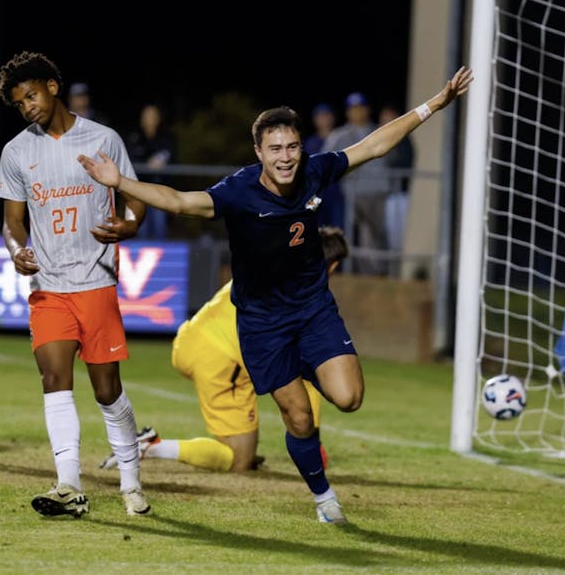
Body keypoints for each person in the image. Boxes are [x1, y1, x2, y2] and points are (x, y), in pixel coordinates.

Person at [78, 66, 473, 525]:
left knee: (349, 397)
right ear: (259, 153)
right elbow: (181, 201)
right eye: (275, 149)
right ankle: (324, 498)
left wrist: (433, 105)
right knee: (300, 419)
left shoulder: (314, 171)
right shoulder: (239, 191)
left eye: (291, 147)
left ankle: (310, 365)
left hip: (312, 311)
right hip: (262, 324)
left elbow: (374, 145)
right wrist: (121, 181)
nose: (285, 157)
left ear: (300, 147)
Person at [0, 51, 151, 518]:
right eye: (20, 103)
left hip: (97, 283)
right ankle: (69, 486)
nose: (28, 107)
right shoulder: (17, 151)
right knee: (54, 379)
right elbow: (12, 222)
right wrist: (16, 249)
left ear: (52, 87)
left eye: (32, 95)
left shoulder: (103, 139)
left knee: (107, 390)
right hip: (49, 287)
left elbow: (134, 200)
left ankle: (130, 480)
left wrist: (129, 225)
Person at [99, 225, 349, 473]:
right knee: (238, 460)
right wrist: (311, 439)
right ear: (333, 265)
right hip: (219, 358)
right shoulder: (302, 293)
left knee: (247, 453)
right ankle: (151, 447)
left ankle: (233, 450)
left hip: (196, 339)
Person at [322, 91, 391, 275]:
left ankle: (377, 272)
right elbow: (325, 160)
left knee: (375, 233)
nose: (357, 112)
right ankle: (352, 271)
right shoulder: (339, 135)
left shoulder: (378, 130)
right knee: (350, 233)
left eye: (360, 108)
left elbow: (393, 158)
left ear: (367, 109)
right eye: (353, 109)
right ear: (348, 112)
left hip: (377, 190)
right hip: (350, 191)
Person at [125, 103, 177, 240]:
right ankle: (143, 260)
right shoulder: (134, 137)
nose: (150, 119)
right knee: (141, 229)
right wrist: (147, 163)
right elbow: (130, 158)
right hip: (138, 190)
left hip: (160, 189)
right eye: (147, 115)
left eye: (153, 115)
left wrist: (161, 162)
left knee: (160, 227)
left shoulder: (166, 138)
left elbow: (172, 157)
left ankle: (161, 260)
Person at [378, 103, 415, 263]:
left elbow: (402, 162)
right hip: (380, 193)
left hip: (398, 193)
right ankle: (386, 268)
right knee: (381, 234)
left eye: (389, 119)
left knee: (396, 235)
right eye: (384, 119)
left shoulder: (404, 138)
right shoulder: (378, 137)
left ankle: (395, 269)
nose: (386, 122)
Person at [303, 104, 345, 239]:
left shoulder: (341, 139)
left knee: (337, 231)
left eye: (326, 116)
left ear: (333, 118)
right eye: (320, 116)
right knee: (313, 228)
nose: (323, 120)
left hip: (336, 193)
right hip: (315, 195)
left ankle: (337, 261)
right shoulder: (310, 143)